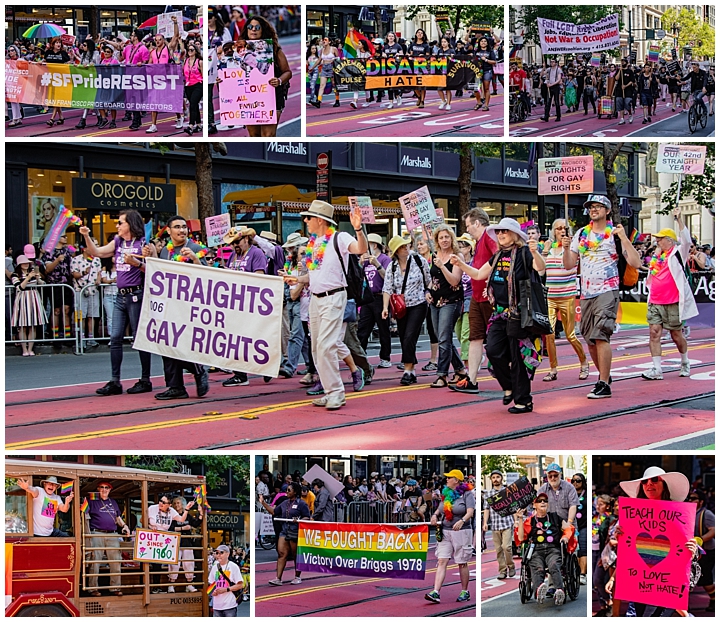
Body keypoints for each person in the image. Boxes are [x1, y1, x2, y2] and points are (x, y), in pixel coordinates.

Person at [452, 218, 545, 412]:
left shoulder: (524, 253)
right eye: (499, 232)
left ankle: (524, 400)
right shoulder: (497, 256)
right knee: (493, 350)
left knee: (518, 357)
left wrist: (535, 252)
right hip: (500, 313)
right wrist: (461, 264)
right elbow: (478, 274)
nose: (501, 235)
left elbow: (541, 268)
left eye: (505, 231)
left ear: (515, 235)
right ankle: (509, 386)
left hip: (520, 313)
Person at [281, 201, 368, 409]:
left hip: (334, 297)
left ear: (320, 220)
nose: (305, 221)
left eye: (308, 217)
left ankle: (337, 393)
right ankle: (330, 392)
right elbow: (313, 276)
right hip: (316, 299)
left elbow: (361, 249)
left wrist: (358, 228)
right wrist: (296, 280)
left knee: (326, 346)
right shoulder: (312, 243)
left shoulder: (339, 237)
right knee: (316, 348)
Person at [562, 195, 641, 398]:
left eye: (598, 207)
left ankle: (604, 383)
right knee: (589, 339)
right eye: (591, 207)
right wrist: (564, 247)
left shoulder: (614, 234)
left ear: (607, 211)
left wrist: (624, 238)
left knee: (600, 335)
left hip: (607, 290)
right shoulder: (581, 234)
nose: (594, 210)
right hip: (586, 292)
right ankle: (603, 375)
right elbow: (569, 264)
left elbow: (636, 262)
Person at [79, 211, 153, 396]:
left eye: (121, 223)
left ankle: (145, 379)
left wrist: (136, 262)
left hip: (136, 294)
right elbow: (96, 252)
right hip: (120, 296)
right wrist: (86, 235)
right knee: (115, 338)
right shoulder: (119, 242)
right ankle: (115, 381)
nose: (118, 226)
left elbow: (153, 268)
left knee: (139, 339)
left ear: (130, 224)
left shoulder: (144, 243)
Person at [609, 467, 699, 616]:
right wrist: (619, 537)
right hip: (638, 581)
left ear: (664, 485)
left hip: (668, 582)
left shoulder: (678, 514)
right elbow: (626, 552)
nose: (649, 484)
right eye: (645, 481)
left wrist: (692, 550)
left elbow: (686, 546)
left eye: (655, 480)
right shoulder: (632, 515)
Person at [141, 215, 210, 399]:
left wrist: (195, 259)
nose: (182, 230)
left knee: (183, 345)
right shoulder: (166, 251)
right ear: (169, 231)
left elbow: (208, 277)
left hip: (189, 307)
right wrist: (150, 258)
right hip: (169, 306)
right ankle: (175, 386)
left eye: (184, 227)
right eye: (177, 227)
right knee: (167, 346)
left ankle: (198, 370)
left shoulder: (196, 248)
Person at [640, 208, 697, 380]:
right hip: (655, 301)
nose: (657, 241)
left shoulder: (678, 252)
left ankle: (685, 362)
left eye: (660, 238)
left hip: (673, 301)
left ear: (670, 240)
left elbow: (686, 240)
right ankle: (657, 369)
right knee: (654, 332)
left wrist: (679, 219)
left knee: (676, 335)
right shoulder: (657, 257)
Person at [451, 208, 497, 394]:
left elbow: (498, 257)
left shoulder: (489, 236)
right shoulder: (480, 241)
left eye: (469, 225)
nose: (468, 229)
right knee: (475, 338)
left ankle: (510, 374)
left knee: (495, 340)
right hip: (477, 296)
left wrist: (490, 280)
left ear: (477, 223)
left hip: (488, 297)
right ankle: (472, 379)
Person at [542, 219, 589, 381]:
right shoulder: (548, 248)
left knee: (570, 334)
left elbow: (571, 265)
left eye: (564, 228)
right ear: (553, 231)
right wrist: (544, 252)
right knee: (549, 334)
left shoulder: (574, 248)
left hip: (567, 296)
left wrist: (568, 247)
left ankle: (584, 362)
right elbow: (540, 269)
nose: (561, 231)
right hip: (550, 296)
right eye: (558, 228)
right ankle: (553, 368)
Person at [221, 226, 267, 387]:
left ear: (246, 239)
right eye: (232, 243)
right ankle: (240, 373)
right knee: (237, 339)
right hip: (235, 304)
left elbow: (261, 275)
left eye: (237, 242)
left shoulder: (256, 253)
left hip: (251, 303)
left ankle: (264, 367)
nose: (235, 246)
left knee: (253, 338)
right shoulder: (233, 256)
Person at [382, 236, 431, 385]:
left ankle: (408, 370)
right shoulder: (392, 266)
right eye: (402, 247)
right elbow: (387, 288)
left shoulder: (419, 261)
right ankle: (412, 369)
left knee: (410, 335)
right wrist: (385, 307)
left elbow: (428, 280)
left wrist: (429, 293)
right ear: (396, 251)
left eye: (407, 245)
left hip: (418, 303)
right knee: (404, 337)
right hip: (401, 306)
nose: (406, 248)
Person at [425, 225, 468, 388]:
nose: (444, 240)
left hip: (451, 301)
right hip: (435, 301)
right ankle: (460, 369)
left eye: (447, 237)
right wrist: (427, 290)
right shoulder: (435, 256)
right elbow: (433, 279)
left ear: (452, 238)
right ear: (437, 240)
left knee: (444, 337)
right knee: (442, 338)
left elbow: (454, 281)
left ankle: (442, 374)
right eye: (441, 237)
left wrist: (443, 266)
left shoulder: (457, 256)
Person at [515, 492, 574, 605]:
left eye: (545, 501)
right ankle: (539, 590)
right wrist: (520, 519)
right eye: (539, 501)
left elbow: (568, 528)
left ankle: (559, 591)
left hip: (553, 549)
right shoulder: (530, 520)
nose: (543, 502)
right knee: (537, 567)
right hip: (536, 549)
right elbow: (521, 537)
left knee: (553, 565)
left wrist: (566, 537)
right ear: (534, 505)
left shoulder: (555, 517)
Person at [238, 15, 292, 137]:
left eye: (257, 27)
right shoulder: (238, 51)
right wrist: (222, 80)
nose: (253, 30)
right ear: (246, 29)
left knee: (268, 135)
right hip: (249, 97)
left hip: (271, 95)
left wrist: (278, 80)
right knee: (254, 135)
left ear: (263, 30)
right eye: (250, 27)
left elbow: (287, 72)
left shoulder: (274, 49)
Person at [425, 470, 474, 604]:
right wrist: (435, 515)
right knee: (442, 560)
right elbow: (440, 509)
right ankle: (435, 592)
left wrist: (462, 520)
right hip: (445, 530)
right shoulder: (445, 493)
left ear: (456, 480)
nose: (446, 480)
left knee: (462, 562)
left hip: (462, 531)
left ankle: (465, 591)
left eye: (449, 478)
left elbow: (470, 511)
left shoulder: (467, 494)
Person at [85, 481, 130, 597]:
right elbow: (83, 515)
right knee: (95, 562)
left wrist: (125, 526)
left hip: (113, 534)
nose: (104, 490)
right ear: (98, 489)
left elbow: (118, 518)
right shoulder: (91, 501)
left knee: (116, 561)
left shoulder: (113, 502)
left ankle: (115, 587)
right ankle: (93, 588)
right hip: (97, 533)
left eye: (107, 488)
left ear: (110, 490)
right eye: (102, 487)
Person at [264, 482, 310, 586]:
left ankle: (297, 576)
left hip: (295, 531)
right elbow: (274, 512)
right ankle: (278, 578)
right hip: (284, 531)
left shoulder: (301, 504)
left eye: (289, 490)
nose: (287, 492)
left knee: (295, 555)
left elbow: (307, 516)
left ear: (295, 492)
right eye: (287, 490)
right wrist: (263, 503)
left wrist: (299, 520)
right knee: (281, 554)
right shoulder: (284, 503)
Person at [357, 233, 392, 368]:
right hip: (367, 298)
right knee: (363, 329)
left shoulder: (384, 259)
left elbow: (387, 277)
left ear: (374, 245)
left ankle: (385, 357)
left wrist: (377, 265)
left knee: (383, 329)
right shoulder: (365, 260)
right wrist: (360, 264)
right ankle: (361, 356)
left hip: (380, 296)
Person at [146, 17, 181, 133]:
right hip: (157, 80)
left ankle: (179, 117)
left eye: (159, 40)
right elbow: (149, 66)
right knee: (154, 102)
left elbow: (176, 36)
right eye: (156, 40)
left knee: (172, 99)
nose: (157, 42)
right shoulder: (152, 52)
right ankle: (153, 125)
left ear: (163, 40)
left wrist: (175, 23)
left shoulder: (168, 48)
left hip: (168, 78)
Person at [482, 470, 516, 579]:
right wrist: (485, 523)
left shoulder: (507, 491)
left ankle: (511, 566)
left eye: (498, 477)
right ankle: (502, 570)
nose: (495, 479)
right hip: (495, 525)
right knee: (498, 550)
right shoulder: (488, 494)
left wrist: (515, 521)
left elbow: (513, 507)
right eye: (493, 477)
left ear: (501, 478)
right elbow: (486, 509)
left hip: (507, 524)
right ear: (491, 480)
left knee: (507, 547)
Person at [11, 254, 47, 356]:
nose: (26, 264)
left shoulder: (33, 272)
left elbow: (42, 284)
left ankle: (30, 348)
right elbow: (19, 287)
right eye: (23, 263)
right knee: (23, 326)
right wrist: (28, 278)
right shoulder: (15, 275)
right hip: (22, 298)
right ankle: (24, 349)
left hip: (33, 297)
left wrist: (38, 278)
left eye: (27, 262)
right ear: (19, 264)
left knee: (32, 325)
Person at [168, 496, 204, 593]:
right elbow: (169, 528)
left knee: (189, 564)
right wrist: (183, 528)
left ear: (183, 504)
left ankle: (189, 584)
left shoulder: (187, 515)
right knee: (174, 564)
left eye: (178, 503)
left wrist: (201, 513)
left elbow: (196, 523)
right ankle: (171, 585)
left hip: (187, 543)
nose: (176, 505)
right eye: (175, 503)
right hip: (175, 544)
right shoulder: (172, 516)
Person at [42, 233, 73, 342]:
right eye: (63, 236)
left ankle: (67, 335)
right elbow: (47, 270)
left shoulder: (68, 250)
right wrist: (57, 260)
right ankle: (55, 336)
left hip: (67, 284)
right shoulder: (49, 252)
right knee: (56, 310)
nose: (66, 238)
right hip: (54, 284)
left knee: (66, 309)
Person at [71, 242, 102, 349]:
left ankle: (91, 337)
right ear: (84, 249)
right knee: (81, 316)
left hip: (93, 290)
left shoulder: (97, 259)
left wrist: (98, 279)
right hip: (80, 290)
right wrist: (84, 272)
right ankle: (81, 337)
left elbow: (99, 272)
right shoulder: (76, 260)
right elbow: (74, 274)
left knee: (92, 315)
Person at [689, 488, 715, 613]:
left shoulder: (706, 514)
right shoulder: (689, 513)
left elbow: (714, 530)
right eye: (689, 498)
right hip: (692, 552)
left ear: (701, 501)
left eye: (693, 498)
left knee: (705, 580)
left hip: (706, 552)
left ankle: (715, 600)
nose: (690, 500)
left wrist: (700, 540)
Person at [415, 237, 439, 370]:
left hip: (432, 298)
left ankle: (434, 360)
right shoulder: (415, 260)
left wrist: (429, 290)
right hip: (417, 298)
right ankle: (409, 358)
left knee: (432, 329)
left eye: (422, 244)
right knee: (413, 329)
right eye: (417, 244)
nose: (419, 246)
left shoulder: (433, 259)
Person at [592, 494, 617, 617]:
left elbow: (607, 539)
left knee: (598, 579)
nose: (597, 506)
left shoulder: (610, 520)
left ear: (607, 506)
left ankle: (609, 602)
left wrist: (604, 556)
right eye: (597, 503)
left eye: (601, 504)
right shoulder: (594, 517)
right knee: (594, 581)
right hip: (593, 550)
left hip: (603, 553)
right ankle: (603, 606)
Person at [209, 544, 243, 617]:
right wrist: (212, 592)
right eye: (217, 553)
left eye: (221, 553)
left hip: (229, 605)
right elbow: (211, 584)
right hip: (217, 605)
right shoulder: (214, 567)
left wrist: (226, 589)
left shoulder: (233, 567)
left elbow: (240, 585)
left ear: (228, 554)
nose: (218, 555)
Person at [43, 38, 70, 126]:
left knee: (57, 98)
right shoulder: (48, 53)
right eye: (57, 43)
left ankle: (52, 118)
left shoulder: (63, 53)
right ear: (53, 44)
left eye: (60, 43)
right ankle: (61, 117)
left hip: (60, 78)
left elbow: (69, 63)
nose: (58, 44)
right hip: (50, 77)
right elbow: (44, 62)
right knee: (54, 98)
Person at [309, 36, 339, 109]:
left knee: (334, 84)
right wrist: (312, 68)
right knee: (322, 85)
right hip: (324, 68)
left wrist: (333, 60)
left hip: (332, 68)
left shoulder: (333, 49)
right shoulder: (322, 50)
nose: (323, 41)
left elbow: (338, 59)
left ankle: (337, 100)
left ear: (329, 42)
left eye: (325, 40)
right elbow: (319, 60)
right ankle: (318, 101)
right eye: (323, 40)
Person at [182, 41, 203, 135]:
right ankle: (198, 124)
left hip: (198, 85)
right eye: (188, 50)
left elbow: (203, 75)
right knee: (194, 105)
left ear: (196, 51)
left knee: (193, 104)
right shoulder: (186, 61)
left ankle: (191, 125)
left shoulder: (200, 62)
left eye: (191, 50)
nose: (189, 51)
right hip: (188, 86)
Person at [571, 473, 588, 585]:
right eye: (573, 481)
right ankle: (575, 572)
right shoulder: (569, 493)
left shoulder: (587, 495)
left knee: (582, 548)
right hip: (572, 524)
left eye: (578, 481)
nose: (575, 483)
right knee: (573, 549)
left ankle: (582, 574)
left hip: (584, 525)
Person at [474, 36, 497, 111]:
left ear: (487, 43)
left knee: (486, 88)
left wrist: (486, 60)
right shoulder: (476, 51)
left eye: (485, 41)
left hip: (487, 70)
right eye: (481, 41)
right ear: (479, 43)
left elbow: (494, 62)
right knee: (476, 88)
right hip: (478, 71)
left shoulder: (490, 52)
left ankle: (486, 105)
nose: (483, 43)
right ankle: (479, 102)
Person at [614, 57, 636, 125]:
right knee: (619, 102)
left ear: (627, 63)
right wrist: (620, 71)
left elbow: (632, 81)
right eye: (622, 61)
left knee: (627, 103)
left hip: (628, 90)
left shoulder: (630, 71)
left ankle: (630, 114)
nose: (622, 63)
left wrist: (625, 86)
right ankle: (622, 118)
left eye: (624, 61)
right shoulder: (619, 71)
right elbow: (616, 78)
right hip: (619, 90)